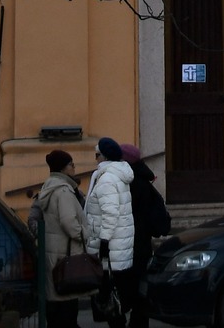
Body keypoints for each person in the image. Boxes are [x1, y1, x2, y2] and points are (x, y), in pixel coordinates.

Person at [30, 148, 85, 328]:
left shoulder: (47, 188)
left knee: (55, 303)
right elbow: (70, 223)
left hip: (51, 255)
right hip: (66, 255)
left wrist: (44, 236)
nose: (74, 167)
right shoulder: (64, 192)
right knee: (68, 304)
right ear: (63, 168)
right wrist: (85, 235)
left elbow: (34, 219)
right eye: (71, 164)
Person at [83, 137, 135, 324]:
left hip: (110, 249)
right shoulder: (116, 175)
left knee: (110, 301)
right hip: (118, 247)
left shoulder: (107, 179)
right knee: (115, 299)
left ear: (103, 156)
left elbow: (110, 214)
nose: (95, 158)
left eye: (96, 155)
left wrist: (103, 241)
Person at [120, 144, 171, 328]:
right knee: (141, 290)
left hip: (130, 243)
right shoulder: (144, 182)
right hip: (142, 244)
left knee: (130, 288)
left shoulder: (130, 184)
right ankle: (139, 322)